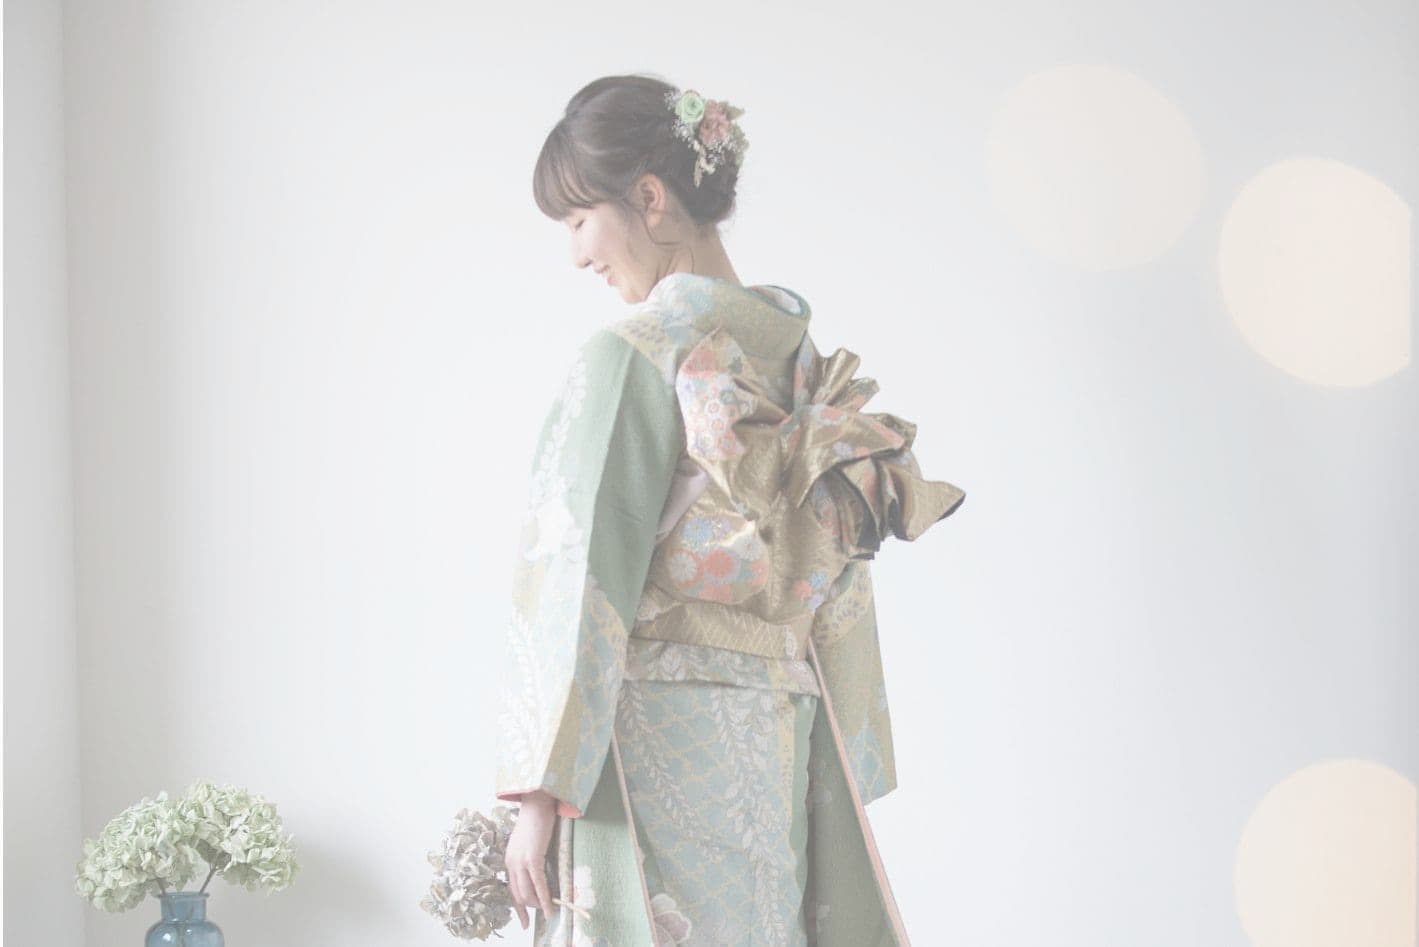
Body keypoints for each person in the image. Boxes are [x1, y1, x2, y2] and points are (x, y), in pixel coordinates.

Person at [492, 74, 965, 947]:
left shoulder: (634, 354)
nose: (576, 254)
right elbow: (836, 564)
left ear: (648, 198)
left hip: (654, 738)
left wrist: (540, 787)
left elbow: (582, 564)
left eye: (579, 219)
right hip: (780, 735)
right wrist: (847, 743)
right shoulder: (803, 367)